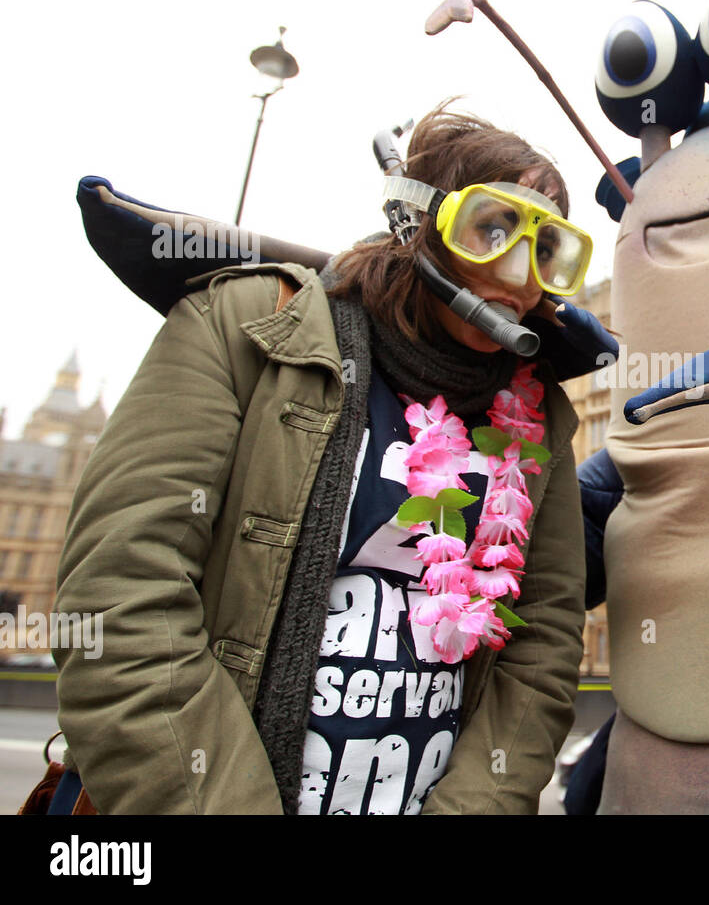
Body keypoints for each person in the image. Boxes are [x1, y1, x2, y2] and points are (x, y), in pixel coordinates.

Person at [51, 105, 589, 814]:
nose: (522, 276)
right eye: (491, 228)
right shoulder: (240, 327)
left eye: (548, 249)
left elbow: (542, 644)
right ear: (417, 225)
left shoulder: (538, 419)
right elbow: (119, 599)